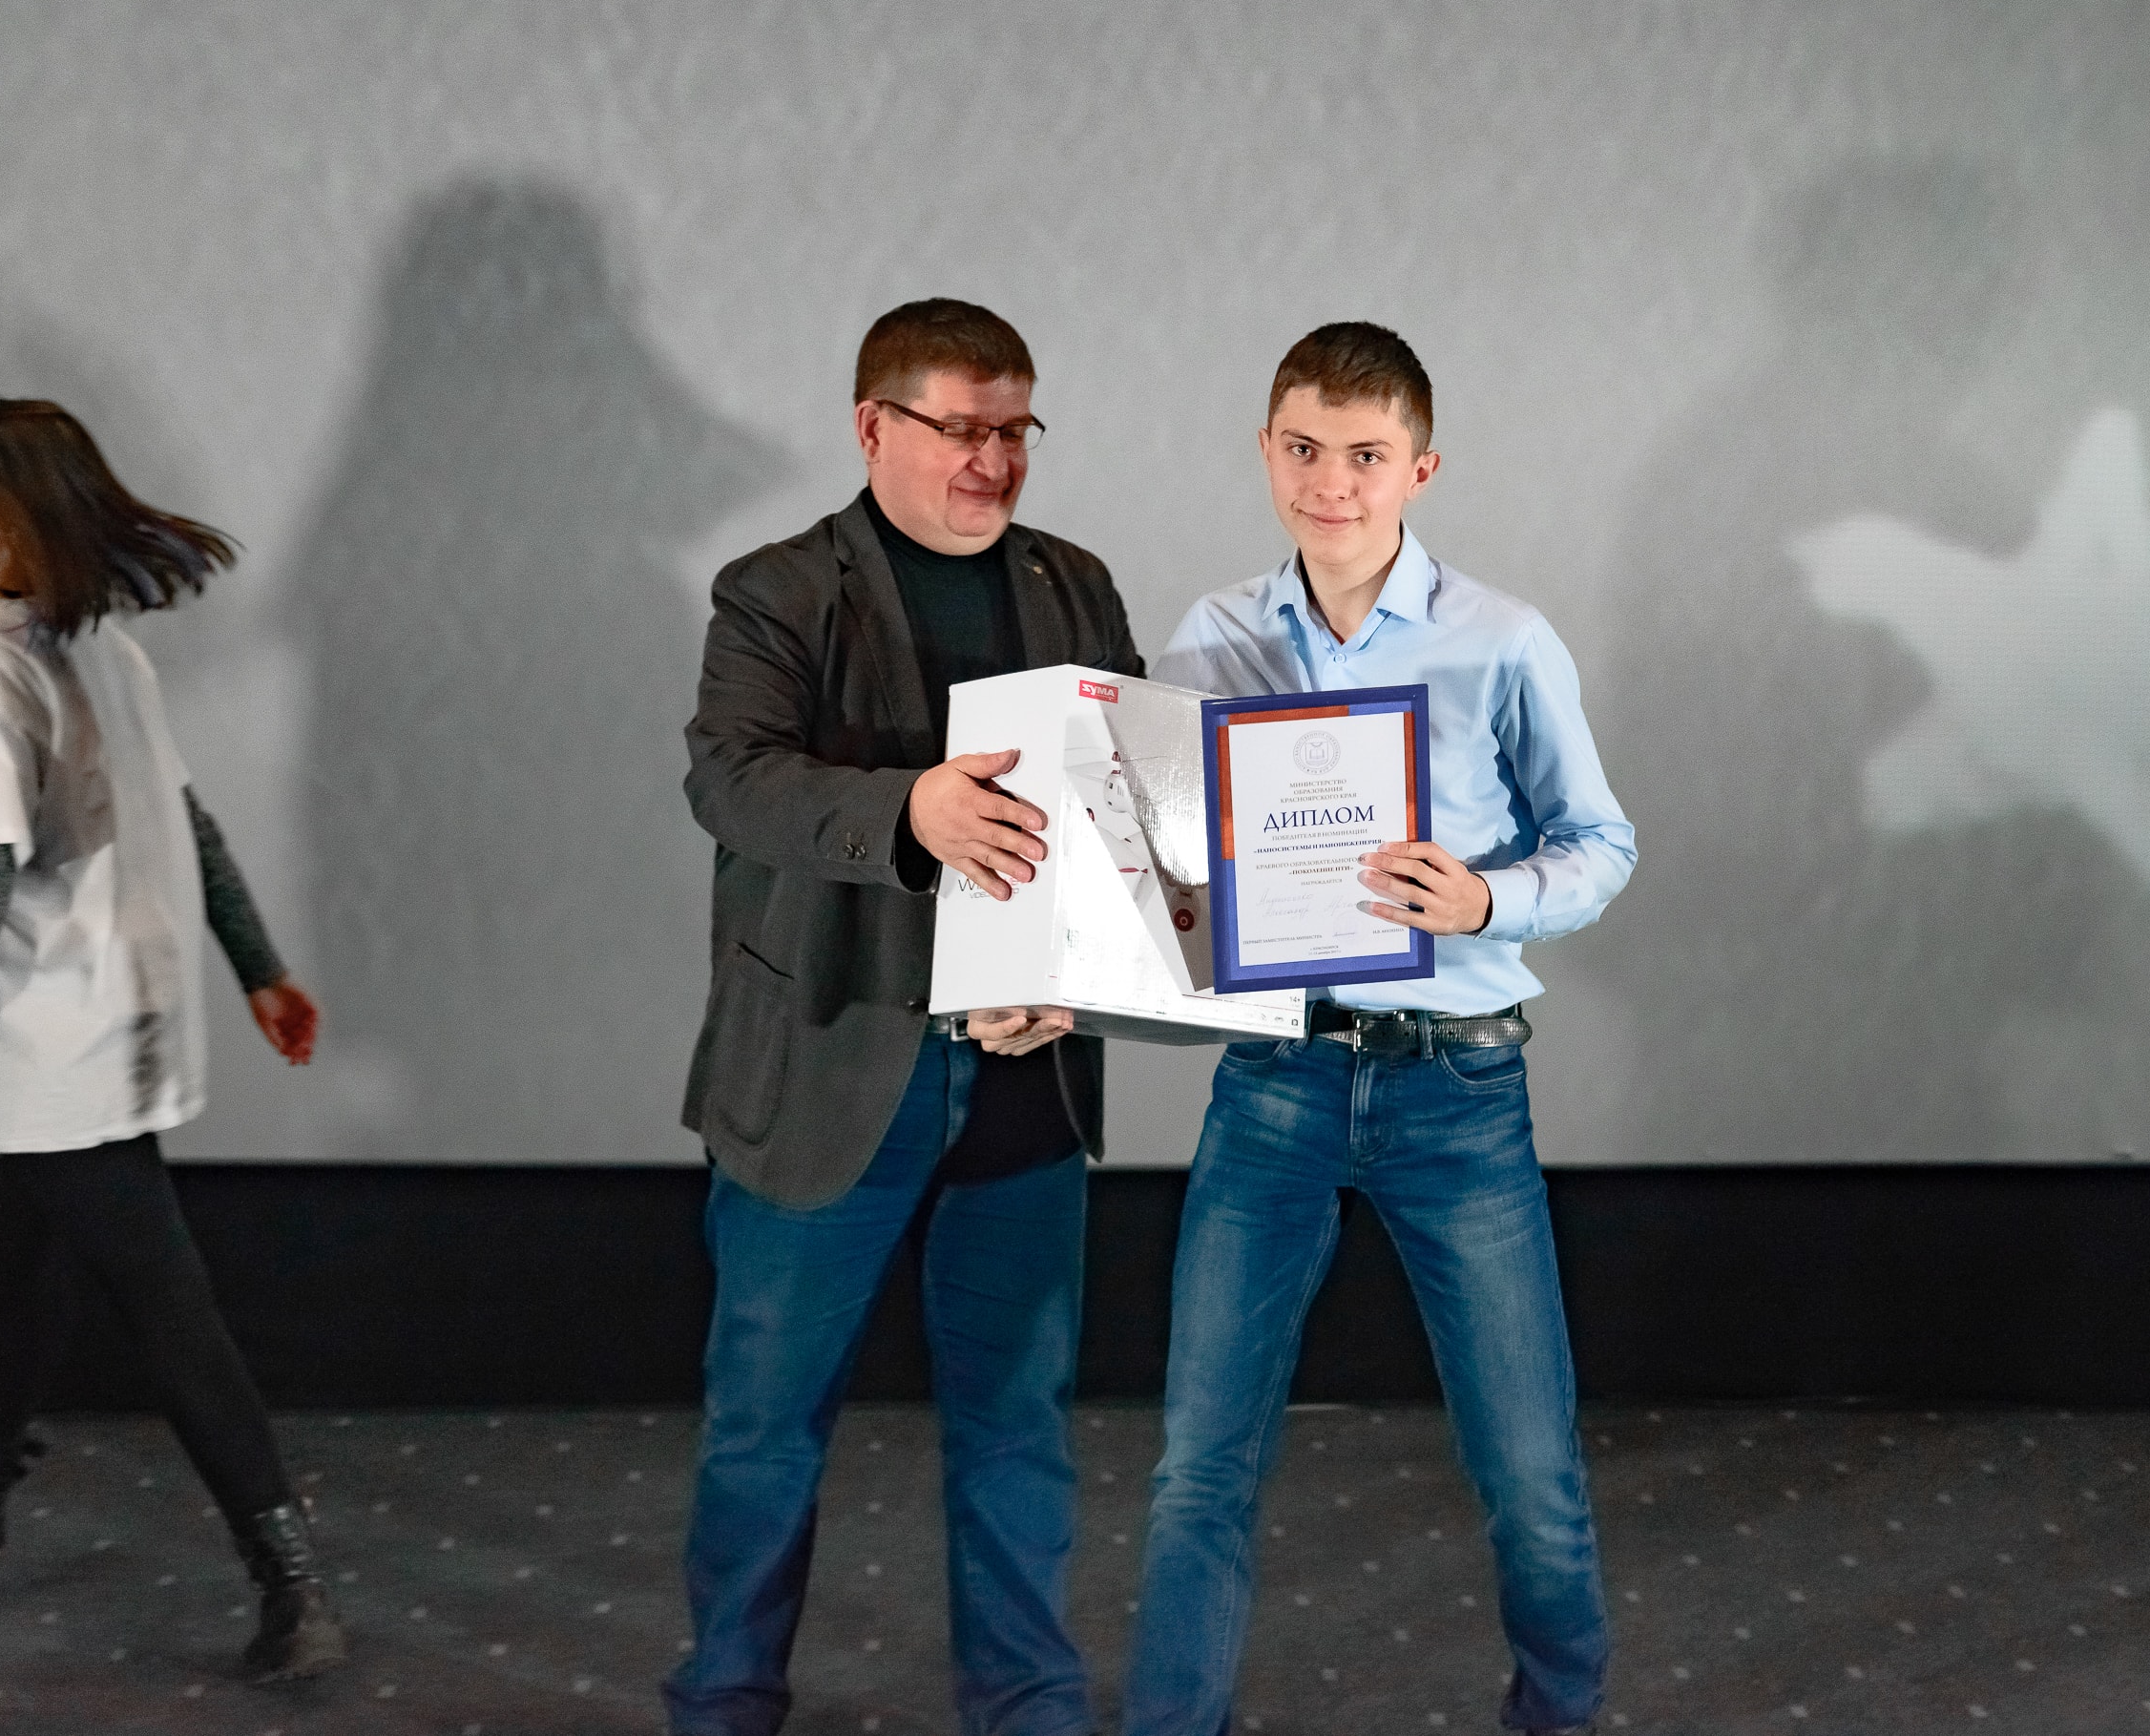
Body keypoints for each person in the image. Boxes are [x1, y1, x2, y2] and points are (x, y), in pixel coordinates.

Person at [1125, 324, 1638, 1736]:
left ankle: (1560, 1716)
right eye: (1302, 449)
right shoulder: (1212, 635)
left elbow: (1601, 842)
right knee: (1198, 1471)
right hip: (1276, 1082)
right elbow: (1163, 873)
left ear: (1421, 468)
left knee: (1529, 1474)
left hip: (1456, 1091)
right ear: (1265, 451)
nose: (1331, 483)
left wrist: (1487, 896)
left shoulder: (1504, 640)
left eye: (1364, 455)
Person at [665, 299, 1140, 1736]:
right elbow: (730, 780)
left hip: (1025, 1080)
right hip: (827, 1068)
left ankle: (1028, 1705)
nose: (994, 460)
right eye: (961, 430)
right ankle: (727, 1699)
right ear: (874, 427)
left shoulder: (1075, 583)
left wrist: (1086, 971)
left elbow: (1128, 807)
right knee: (765, 1432)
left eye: (1015, 430)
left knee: (1018, 1429)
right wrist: (908, 811)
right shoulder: (776, 591)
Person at [0, 398, 342, 1684]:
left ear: (8, 507)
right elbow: (189, 823)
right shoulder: (106, 646)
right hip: (121, 1020)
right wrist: (259, 968)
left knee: (169, 1312)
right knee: (16, 1248)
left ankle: (292, 1582)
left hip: (54, 1040)